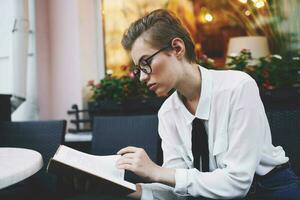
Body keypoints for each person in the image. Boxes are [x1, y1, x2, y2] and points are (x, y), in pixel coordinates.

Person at [116, 9, 300, 200]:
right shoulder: (168, 113)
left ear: (177, 48)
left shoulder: (237, 87)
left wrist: (156, 171)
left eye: (146, 63)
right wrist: (131, 190)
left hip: (271, 190)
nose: (143, 77)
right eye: (138, 70)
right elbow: (177, 184)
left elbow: (237, 182)